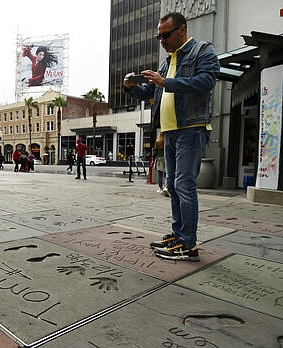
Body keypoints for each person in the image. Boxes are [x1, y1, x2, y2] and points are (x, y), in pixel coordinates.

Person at [124, 12, 220, 262]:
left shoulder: (202, 50)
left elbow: (207, 81)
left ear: (182, 30)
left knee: (185, 186)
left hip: (191, 128)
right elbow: (152, 90)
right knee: (173, 188)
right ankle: (179, 236)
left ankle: (189, 245)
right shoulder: (168, 61)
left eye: (165, 35)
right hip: (170, 131)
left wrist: (167, 82)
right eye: (159, 36)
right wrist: (131, 88)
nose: (162, 40)